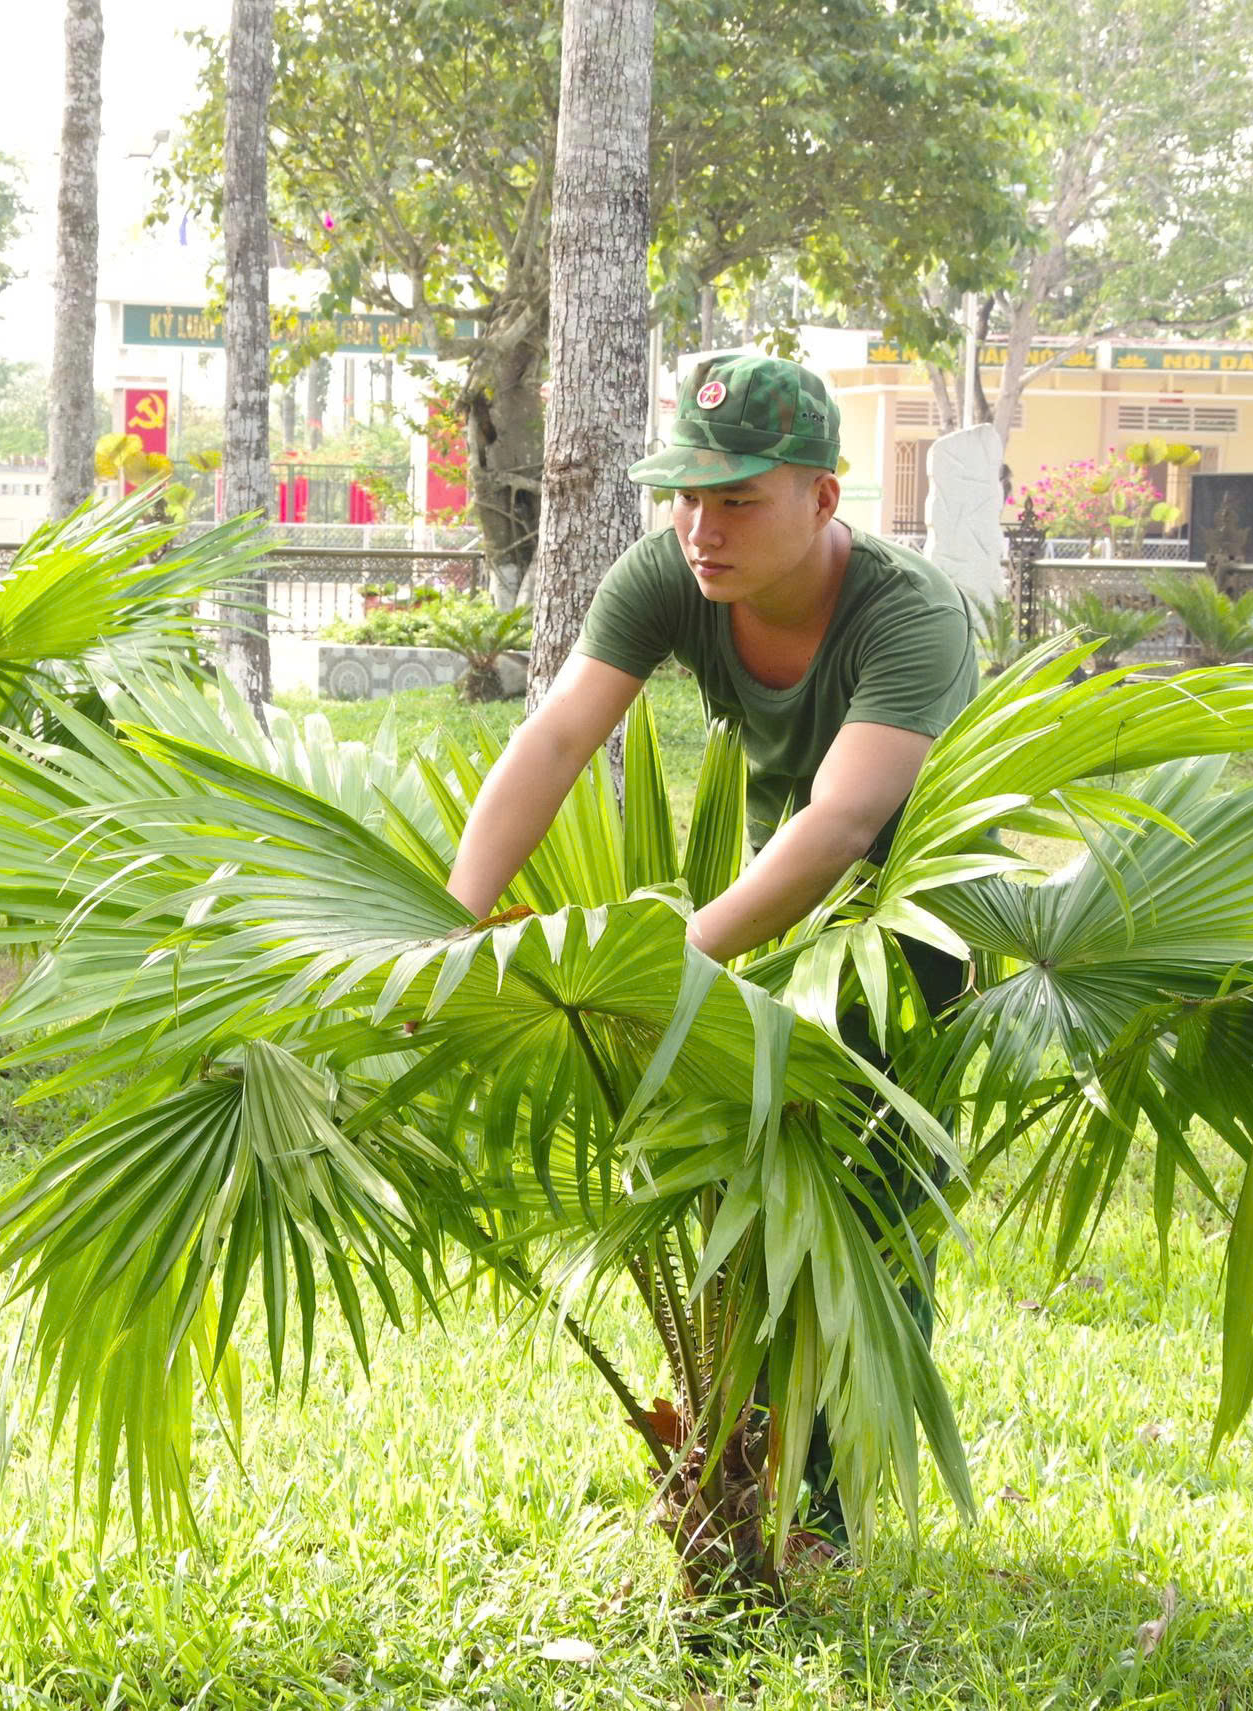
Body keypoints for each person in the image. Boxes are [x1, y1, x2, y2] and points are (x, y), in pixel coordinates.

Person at [445, 352, 978, 1535]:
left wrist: (675, 957)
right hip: (772, 919)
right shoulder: (668, 575)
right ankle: (743, 1464)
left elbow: (848, 818)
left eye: (736, 498)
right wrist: (454, 924)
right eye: (685, 493)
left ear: (823, 498)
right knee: (746, 1192)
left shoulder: (909, 612)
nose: (700, 526)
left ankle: (825, 1515)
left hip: (919, 930)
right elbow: (554, 740)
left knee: (870, 1220)